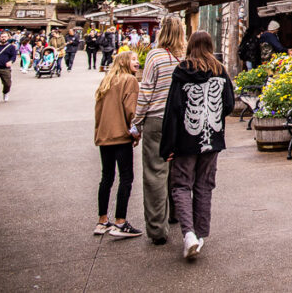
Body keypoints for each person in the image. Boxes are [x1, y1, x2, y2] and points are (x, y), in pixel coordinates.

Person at [160, 31, 235, 261]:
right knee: (204, 185)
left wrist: (168, 145)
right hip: (212, 138)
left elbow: (173, 110)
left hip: (185, 140)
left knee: (181, 185)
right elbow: (229, 105)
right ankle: (200, 234)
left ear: (190, 45)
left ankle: (189, 233)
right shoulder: (220, 70)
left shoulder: (182, 71)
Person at [133, 15, 187, 246]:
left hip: (157, 118)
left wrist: (136, 121)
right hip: (181, 120)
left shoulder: (155, 56)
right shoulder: (184, 58)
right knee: (177, 169)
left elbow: (145, 92)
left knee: (156, 172)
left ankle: (157, 229)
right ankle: (175, 214)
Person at [93, 51, 143, 238]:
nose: (137, 62)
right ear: (124, 62)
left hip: (104, 135)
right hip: (121, 135)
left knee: (106, 177)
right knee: (126, 178)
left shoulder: (106, 81)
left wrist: (98, 132)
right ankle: (120, 221)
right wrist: (136, 132)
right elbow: (132, 110)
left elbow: (98, 110)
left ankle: (102, 220)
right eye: (133, 59)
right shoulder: (129, 81)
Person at [0, 31, 19, 105]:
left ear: (8, 38)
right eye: (2, 37)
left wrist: (11, 61)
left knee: (7, 84)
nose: (3, 38)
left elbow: (13, 56)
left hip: (5, 68)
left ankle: (5, 92)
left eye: (5, 37)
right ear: (0, 37)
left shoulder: (11, 47)